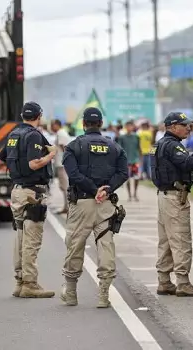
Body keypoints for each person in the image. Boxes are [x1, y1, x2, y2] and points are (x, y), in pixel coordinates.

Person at [61, 107, 128, 308]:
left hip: (81, 204)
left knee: (75, 246)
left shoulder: (74, 146)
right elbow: (123, 173)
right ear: (100, 124)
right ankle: (103, 295)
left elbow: (73, 175)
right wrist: (105, 190)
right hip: (105, 205)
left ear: (83, 124)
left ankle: (71, 293)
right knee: (106, 246)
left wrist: (92, 189)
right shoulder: (115, 147)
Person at [0, 101, 56, 298]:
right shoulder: (33, 136)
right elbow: (34, 164)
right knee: (32, 239)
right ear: (39, 116)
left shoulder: (13, 134)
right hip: (32, 193)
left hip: (17, 191)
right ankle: (30, 283)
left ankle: (20, 281)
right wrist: (51, 155)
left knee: (20, 237)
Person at [150, 112, 193, 297]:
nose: (188, 128)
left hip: (164, 196)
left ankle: (164, 281)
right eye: (184, 125)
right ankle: (183, 283)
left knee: (166, 242)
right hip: (175, 197)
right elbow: (186, 163)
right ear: (172, 126)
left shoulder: (160, 144)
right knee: (181, 240)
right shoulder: (172, 145)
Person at [51, 119, 71, 214]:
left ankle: (68, 207)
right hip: (61, 163)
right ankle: (66, 206)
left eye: (52, 125)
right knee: (63, 186)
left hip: (62, 164)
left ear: (56, 124)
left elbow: (64, 148)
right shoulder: (61, 133)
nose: (51, 127)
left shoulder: (61, 133)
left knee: (65, 186)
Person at [117, 120, 141, 201]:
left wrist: (140, 159)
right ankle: (129, 195)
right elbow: (119, 149)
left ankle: (135, 194)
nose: (129, 128)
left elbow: (139, 148)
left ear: (133, 127)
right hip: (126, 161)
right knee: (127, 179)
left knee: (136, 178)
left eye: (131, 126)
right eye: (128, 126)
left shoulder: (136, 137)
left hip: (135, 160)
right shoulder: (122, 137)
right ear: (125, 127)